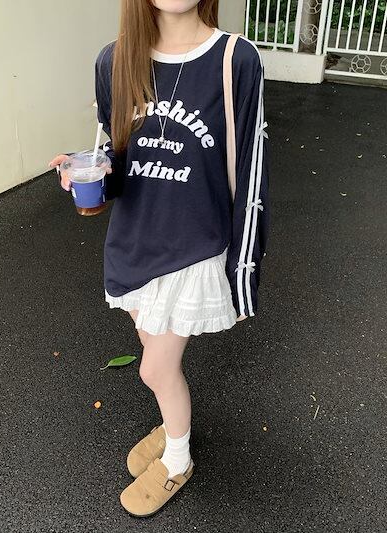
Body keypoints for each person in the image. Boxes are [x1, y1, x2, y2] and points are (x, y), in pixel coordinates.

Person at [48, 0, 270, 518]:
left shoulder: (235, 59)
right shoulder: (114, 60)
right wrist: (90, 175)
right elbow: (118, 156)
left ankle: (177, 459)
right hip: (135, 244)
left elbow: (252, 170)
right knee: (154, 354)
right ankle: (174, 425)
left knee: (155, 368)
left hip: (194, 248)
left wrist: (244, 272)